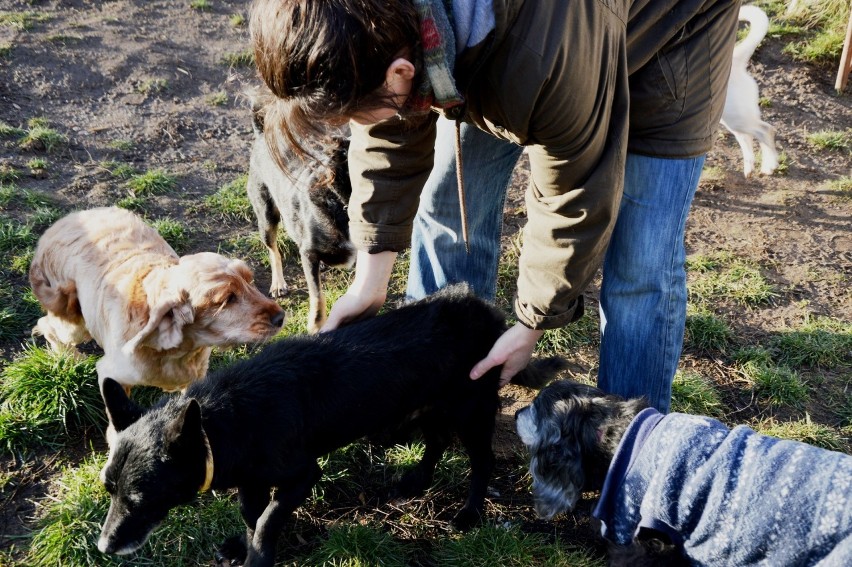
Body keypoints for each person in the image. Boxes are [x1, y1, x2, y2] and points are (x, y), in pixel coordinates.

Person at [249, 0, 741, 413]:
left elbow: (575, 196)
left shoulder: (545, 60)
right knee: (448, 195)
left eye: (358, 111)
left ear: (402, 72)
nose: (364, 121)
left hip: (673, 33)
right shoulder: (378, 24)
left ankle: (632, 446)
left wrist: (531, 324)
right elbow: (387, 134)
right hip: (510, 45)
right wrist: (369, 282)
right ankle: (440, 389)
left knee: (640, 262)